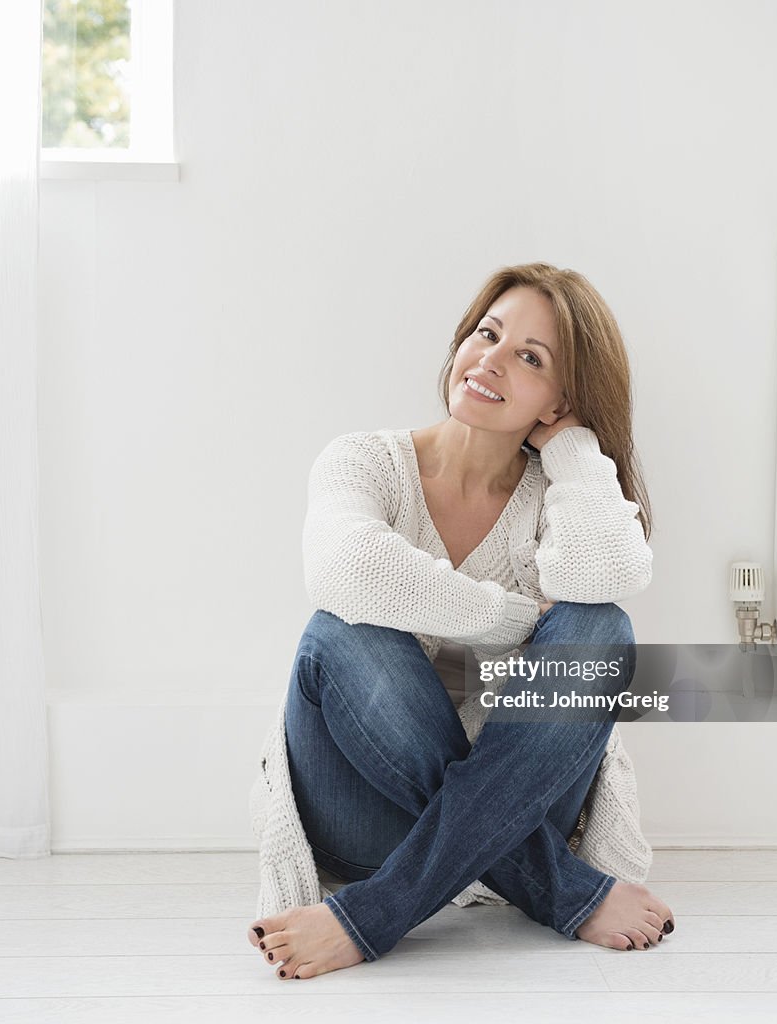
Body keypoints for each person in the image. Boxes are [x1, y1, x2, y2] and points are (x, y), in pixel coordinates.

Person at [247, 262, 675, 982]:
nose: (491, 360)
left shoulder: (554, 497)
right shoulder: (364, 462)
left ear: (557, 400)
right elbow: (346, 571)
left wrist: (572, 449)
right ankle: (554, 888)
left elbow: (606, 577)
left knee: (601, 632)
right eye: (488, 333)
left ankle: (373, 916)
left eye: (530, 358)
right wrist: (510, 618)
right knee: (338, 634)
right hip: (363, 815)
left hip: (522, 799)